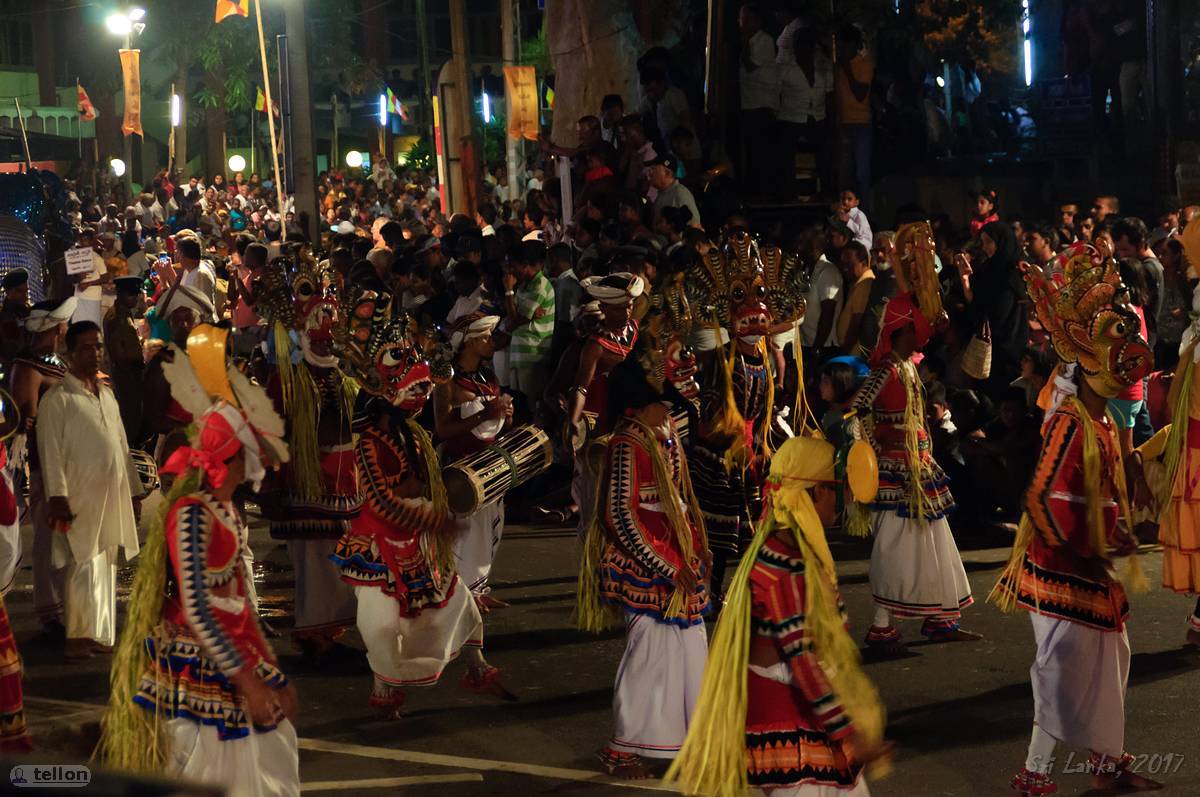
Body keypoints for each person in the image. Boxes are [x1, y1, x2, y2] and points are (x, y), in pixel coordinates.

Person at [992, 243, 1160, 796]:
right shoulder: (1068, 422)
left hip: (1088, 568)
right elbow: (1040, 499)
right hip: (1061, 570)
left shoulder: (1103, 421)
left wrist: (1115, 533)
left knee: (1111, 659)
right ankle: (1036, 775)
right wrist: (1090, 542)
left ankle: (1106, 762)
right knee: (1062, 674)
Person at [666, 435, 890, 797]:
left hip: (795, 714)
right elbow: (803, 657)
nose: (841, 499)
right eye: (835, 489)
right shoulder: (789, 561)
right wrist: (847, 730)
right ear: (814, 492)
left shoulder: (781, 547)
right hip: (789, 719)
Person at [98, 400, 299, 796]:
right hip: (200, 656)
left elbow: (238, 603)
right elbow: (199, 608)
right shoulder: (191, 514)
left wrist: (266, 668)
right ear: (233, 454)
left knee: (270, 750)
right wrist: (248, 680)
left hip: (232, 649)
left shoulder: (227, 511)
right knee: (212, 763)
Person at [330, 295, 511, 716]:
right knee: (382, 625)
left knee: (458, 600)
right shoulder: (370, 441)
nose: (421, 395)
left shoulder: (408, 433)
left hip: (418, 540)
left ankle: (477, 666)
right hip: (381, 545)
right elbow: (380, 502)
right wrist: (432, 520)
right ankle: (383, 689)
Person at [577, 356, 710, 780]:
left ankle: (683, 739)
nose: (668, 409)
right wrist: (664, 567)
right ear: (636, 406)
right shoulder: (626, 446)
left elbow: (678, 497)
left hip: (677, 558)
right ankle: (623, 746)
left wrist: (694, 545)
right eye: (660, 403)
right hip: (649, 565)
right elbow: (619, 515)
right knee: (650, 657)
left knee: (689, 652)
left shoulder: (662, 435)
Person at [851, 291, 979, 649]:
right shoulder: (886, 370)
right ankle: (882, 624)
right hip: (896, 472)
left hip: (920, 467)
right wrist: (878, 448)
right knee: (895, 546)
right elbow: (858, 409)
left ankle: (941, 617)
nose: (920, 340)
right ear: (899, 331)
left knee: (934, 542)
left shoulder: (907, 367)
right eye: (914, 333)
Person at [37, 321, 143, 660]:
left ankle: (100, 634)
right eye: (86, 347)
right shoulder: (58, 399)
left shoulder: (106, 395)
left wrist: (134, 491)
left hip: (110, 495)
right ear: (68, 353)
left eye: (98, 346)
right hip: (76, 496)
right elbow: (50, 451)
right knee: (80, 561)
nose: (95, 353)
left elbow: (122, 447)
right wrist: (56, 496)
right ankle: (78, 636)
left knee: (105, 562)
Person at [435, 313, 514, 607]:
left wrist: (505, 417)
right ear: (468, 342)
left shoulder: (488, 376)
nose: (491, 342)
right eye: (485, 337)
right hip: (461, 465)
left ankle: (478, 589)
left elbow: (493, 425)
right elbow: (442, 429)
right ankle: (460, 592)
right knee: (466, 531)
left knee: (489, 525)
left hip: (487, 462)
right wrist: (485, 414)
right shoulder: (447, 379)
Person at [10, 297, 76, 630]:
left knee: (63, 537)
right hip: (44, 462)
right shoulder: (28, 366)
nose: (66, 329)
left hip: (65, 460)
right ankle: (50, 610)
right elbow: (26, 421)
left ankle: (64, 606)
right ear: (54, 326)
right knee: (49, 538)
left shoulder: (50, 362)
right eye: (63, 324)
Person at [503, 238, 555, 413]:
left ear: (525, 265)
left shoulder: (540, 286)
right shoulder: (525, 285)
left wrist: (509, 291)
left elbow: (513, 321)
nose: (509, 271)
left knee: (531, 408)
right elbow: (513, 320)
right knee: (518, 407)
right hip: (520, 355)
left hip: (534, 356)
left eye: (512, 266)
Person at [738, 3, 779, 197]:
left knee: (761, 151)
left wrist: (744, 43)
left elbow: (750, 65)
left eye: (744, 19)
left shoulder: (765, 40)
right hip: (750, 102)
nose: (741, 23)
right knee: (753, 151)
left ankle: (764, 193)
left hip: (761, 103)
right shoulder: (750, 40)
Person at [833, 24, 873, 210]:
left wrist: (847, 70)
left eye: (845, 47)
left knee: (861, 173)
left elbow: (860, 94)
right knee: (844, 173)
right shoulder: (838, 66)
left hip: (861, 123)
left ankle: (863, 210)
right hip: (844, 122)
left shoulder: (864, 64)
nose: (842, 51)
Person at [104, 276, 146, 443]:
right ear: (119, 294)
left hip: (125, 374)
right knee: (130, 419)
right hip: (127, 377)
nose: (135, 299)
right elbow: (120, 354)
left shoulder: (119, 312)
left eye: (136, 295)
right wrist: (136, 377)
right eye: (131, 295)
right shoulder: (119, 320)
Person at [837, 241, 876, 359]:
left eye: (849, 264)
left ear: (863, 262)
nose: (845, 269)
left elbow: (856, 322)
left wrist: (844, 353)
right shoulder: (857, 284)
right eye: (843, 265)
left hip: (854, 355)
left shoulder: (866, 283)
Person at [648, 154, 701, 229]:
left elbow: (695, 225)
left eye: (654, 169)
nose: (650, 173)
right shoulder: (662, 194)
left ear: (667, 173)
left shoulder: (680, 193)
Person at [0, 268, 30, 370]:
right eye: (20, 291)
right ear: (9, 292)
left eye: (26, 291)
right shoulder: (3, 316)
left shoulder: (28, 313)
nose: (25, 297)